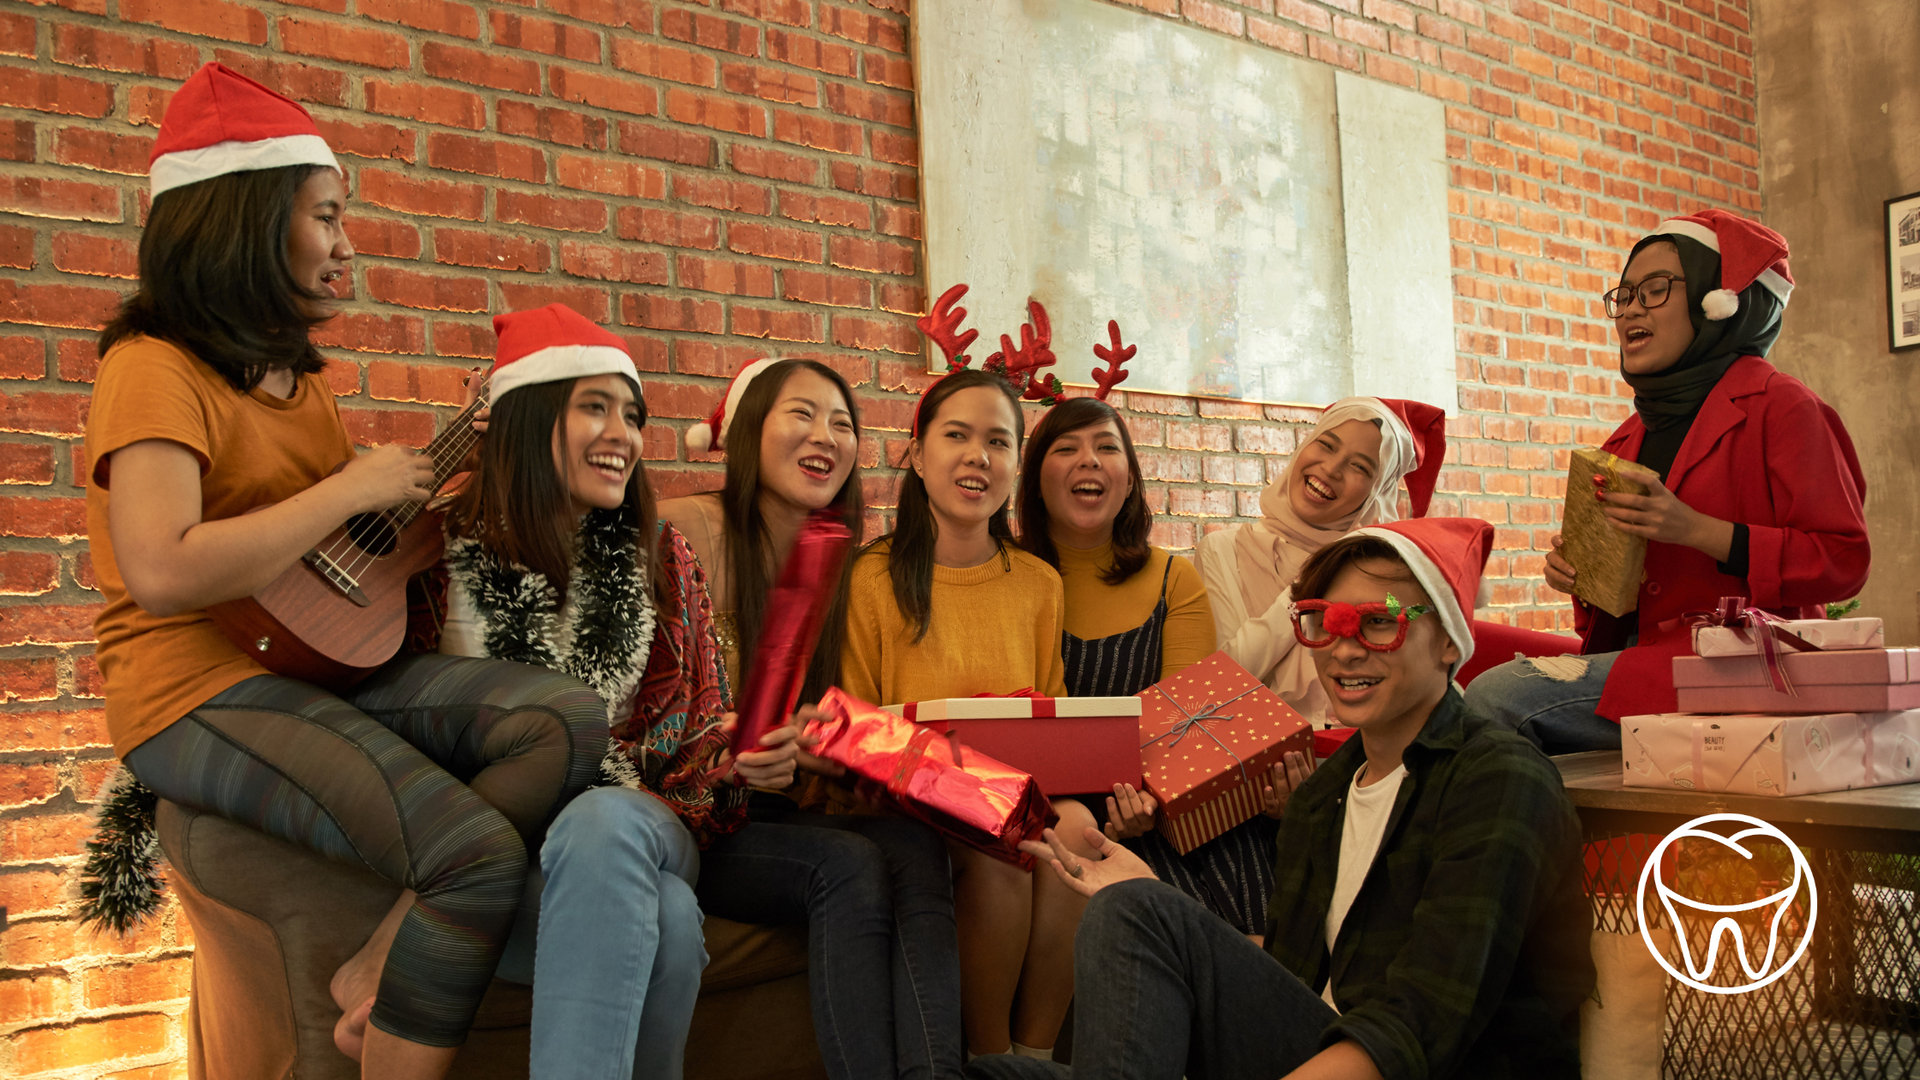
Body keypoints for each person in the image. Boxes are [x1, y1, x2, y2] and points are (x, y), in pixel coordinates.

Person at [82, 66, 605, 1079]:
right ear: (247, 221)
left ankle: (380, 961)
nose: (346, 242)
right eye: (325, 216)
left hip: (299, 667)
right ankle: (384, 1012)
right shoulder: (152, 366)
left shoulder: (297, 385)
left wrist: (438, 500)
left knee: (565, 721)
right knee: (475, 852)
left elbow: (332, 568)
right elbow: (160, 569)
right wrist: (346, 487)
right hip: (189, 694)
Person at [981, 518, 1593, 1080]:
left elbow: (1418, 1023)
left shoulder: (1498, 779)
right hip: (1319, 1048)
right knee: (986, 1073)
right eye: (1326, 622)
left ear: (1449, 644)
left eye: (1379, 623)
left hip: (1418, 1067)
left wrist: (1145, 913)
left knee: (1133, 912)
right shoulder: (1323, 795)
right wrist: (1153, 896)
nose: (1344, 649)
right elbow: (1295, 969)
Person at [413, 304, 803, 1080]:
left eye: (633, 414)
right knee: (660, 916)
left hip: (643, 818)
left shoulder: (660, 559)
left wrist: (745, 759)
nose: (623, 434)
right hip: (502, 865)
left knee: (601, 825)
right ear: (525, 417)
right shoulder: (432, 559)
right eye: (594, 406)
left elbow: (693, 733)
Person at [1464, 209, 1871, 753]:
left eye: (1654, 290)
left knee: (1498, 698)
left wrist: (1697, 529)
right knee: (1439, 700)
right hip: (1653, 661)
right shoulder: (1623, 440)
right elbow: (1621, 608)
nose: (1631, 308)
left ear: (1716, 301)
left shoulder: (1785, 408)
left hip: (1745, 663)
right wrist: (1583, 573)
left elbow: (1844, 559)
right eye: (1624, 295)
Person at [660, 358, 966, 1080]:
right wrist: (721, 745)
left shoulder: (839, 562)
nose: (824, 434)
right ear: (745, 431)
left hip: (770, 812)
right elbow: (633, 706)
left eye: (841, 422)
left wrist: (818, 747)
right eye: (800, 413)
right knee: (847, 861)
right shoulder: (680, 533)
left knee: (917, 847)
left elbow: (821, 736)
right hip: (687, 816)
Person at [839, 364, 1091, 1061]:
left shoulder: (1038, 583)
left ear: (1016, 464)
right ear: (918, 454)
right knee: (1002, 856)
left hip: (1017, 792)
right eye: (957, 436)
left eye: (999, 441)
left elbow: (1055, 721)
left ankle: (1033, 1056)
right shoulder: (869, 579)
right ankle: (985, 1058)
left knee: (1082, 833)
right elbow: (856, 731)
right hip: (911, 806)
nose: (979, 456)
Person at [1018, 387, 1287, 936]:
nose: (1089, 460)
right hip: (1076, 819)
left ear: (1130, 479)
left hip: (1178, 802)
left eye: (1107, 448)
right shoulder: (1010, 581)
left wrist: (1150, 799)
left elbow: (1185, 729)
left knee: (1259, 946)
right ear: (1035, 479)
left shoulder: (1172, 579)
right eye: (1066, 448)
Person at [1194, 397, 1445, 722]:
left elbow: (1400, 681)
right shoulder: (1223, 550)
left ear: (1376, 492)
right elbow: (1219, 682)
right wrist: (1310, 582)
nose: (1331, 468)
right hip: (1252, 750)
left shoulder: (1381, 572)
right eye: (1326, 445)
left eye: (1360, 466)